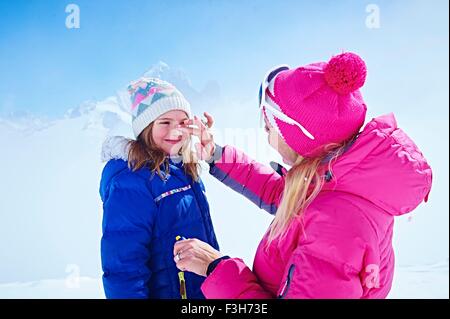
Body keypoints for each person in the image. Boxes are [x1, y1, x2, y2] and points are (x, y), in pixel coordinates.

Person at [173, 52, 433, 298]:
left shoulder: (336, 227)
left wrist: (216, 269)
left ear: (299, 139)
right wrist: (216, 154)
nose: (265, 133)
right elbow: (277, 193)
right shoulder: (335, 181)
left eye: (268, 126)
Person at [99, 77, 219, 298]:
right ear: (146, 127)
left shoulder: (183, 169)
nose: (176, 131)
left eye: (183, 122)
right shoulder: (131, 180)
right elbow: (123, 269)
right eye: (165, 122)